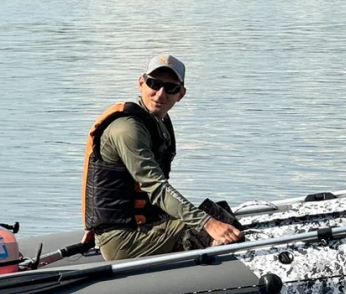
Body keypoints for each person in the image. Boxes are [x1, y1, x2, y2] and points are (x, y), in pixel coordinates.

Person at [81, 54, 242, 261]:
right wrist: (207, 223)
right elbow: (156, 188)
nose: (160, 93)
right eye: (154, 84)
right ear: (141, 83)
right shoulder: (127, 129)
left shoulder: (157, 122)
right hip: (125, 239)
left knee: (220, 212)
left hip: (142, 224)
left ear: (180, 94)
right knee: (216, 229)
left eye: (170, 88)